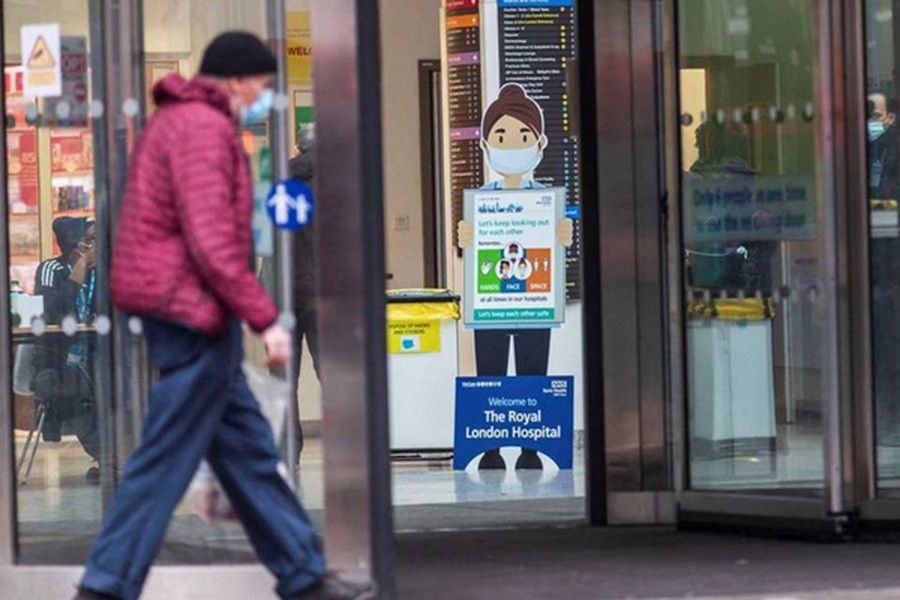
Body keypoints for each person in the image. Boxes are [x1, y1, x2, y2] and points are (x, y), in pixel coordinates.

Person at [75, 33, 371, 600]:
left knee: (249, 452)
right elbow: (213, 243)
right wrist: (265, 320)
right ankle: (104, 585)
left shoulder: (179, 122)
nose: (263, 98)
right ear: (237, 79)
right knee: (163, 460)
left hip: (185, 309)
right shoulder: (202, 130)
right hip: (189, 315)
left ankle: (304, 576)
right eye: (262, 85)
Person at [458, 83, 573, 471]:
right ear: (486, 144)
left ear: (538, 143)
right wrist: (466, 239)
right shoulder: (480, 201)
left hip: (534, 304)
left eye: (521, 136)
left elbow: (556, 253)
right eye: (502, 136)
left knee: (531, 375)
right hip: (489, 304)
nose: (511, 146)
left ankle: (531, 449)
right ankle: (489, 449)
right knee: (490, 375)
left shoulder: (546, 201)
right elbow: (470, 252)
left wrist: (562, 238)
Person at [32, 216, 100, 484]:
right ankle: (107, 457)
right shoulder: (50, 269)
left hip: (93, 352)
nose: (97, 246)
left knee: (113, 376)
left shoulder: (101, 271)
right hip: (57, 357)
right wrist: (77, 274)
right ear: (76, 246)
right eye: (92, 240)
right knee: (78, 386)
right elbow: (52, 313)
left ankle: (114, 455)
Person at [289, 123, 319, 460]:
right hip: (326, 295)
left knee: (285, 378)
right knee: (332, 372)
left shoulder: (283, 181)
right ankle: (349, 447)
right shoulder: (342, 184)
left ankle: (289, 449)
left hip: (286, 294)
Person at [867, 92, 899, 200]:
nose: (870, 121)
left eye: (876, 116)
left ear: (890, 118)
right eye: (867, 115)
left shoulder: (894, 147)